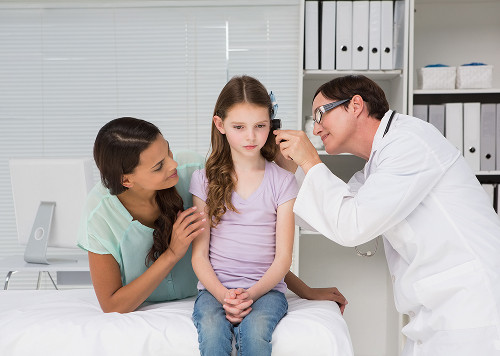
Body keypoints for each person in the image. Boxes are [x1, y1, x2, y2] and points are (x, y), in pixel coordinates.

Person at [274, 74, 500, 356]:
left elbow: (352, 225)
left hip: (470, 309)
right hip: (437, 311)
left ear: (355, 105)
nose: (316, 129)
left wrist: (309, 161)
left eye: (320, 114)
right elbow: (329, 211)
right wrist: (277, 176)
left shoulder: (408, 142)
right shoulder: (379, 164)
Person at [78, 116, 348, 315]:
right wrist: (173, 252)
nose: (173, 164)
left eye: (168, 151)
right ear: (126, 180)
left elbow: (250, 243)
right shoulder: (99, 215)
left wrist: (305, 291)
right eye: (159, 166)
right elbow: (112, 305)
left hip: (213, 296)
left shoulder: (195, 173)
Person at [190, 75, 295, 356]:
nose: (251, 136)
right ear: (220, 125)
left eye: (260, 126)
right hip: (215, 290)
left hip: (267, 291)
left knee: (257, 329)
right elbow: (199, 256)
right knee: (211, 330)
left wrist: (251, 295)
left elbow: (283, 258)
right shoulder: (204, 180)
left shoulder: (283, 181)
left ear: (270, 125)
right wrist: (225, 296)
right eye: (239, 127)